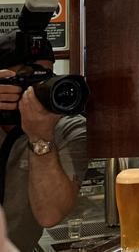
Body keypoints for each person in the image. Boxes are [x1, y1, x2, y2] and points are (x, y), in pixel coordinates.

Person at [0, 30, 87, 251]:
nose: (38, 86)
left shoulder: (67, 127)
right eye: (29, 76)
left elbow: (50, 214)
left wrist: (39, 136)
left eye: (45, 76)